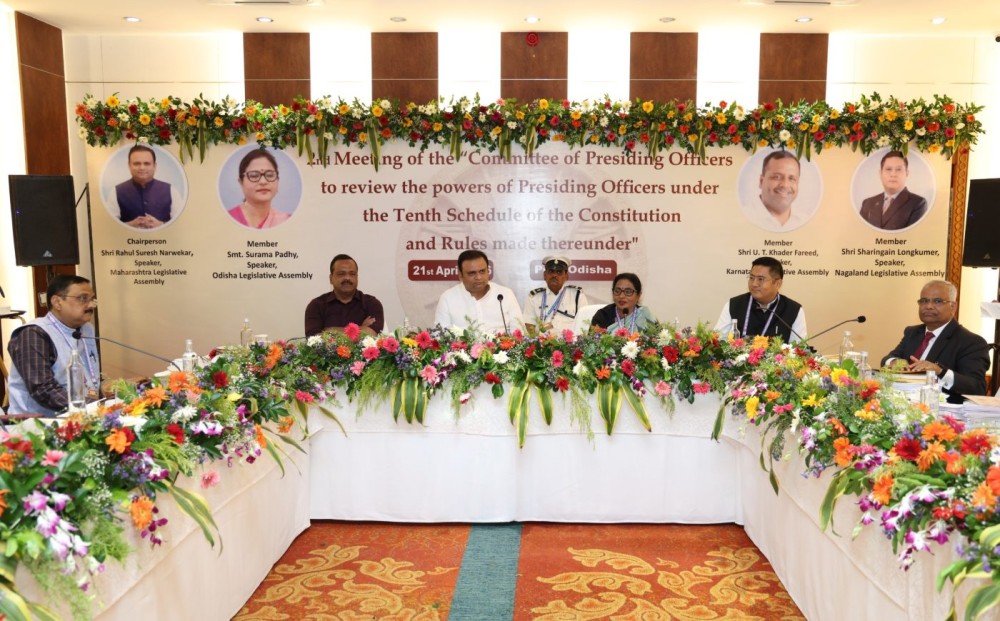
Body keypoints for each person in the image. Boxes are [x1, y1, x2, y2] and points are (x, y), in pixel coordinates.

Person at [7, 275, 101, 417]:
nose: (91, 305)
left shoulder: (87, 329)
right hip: (38, 425)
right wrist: (92, 407)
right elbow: (43, 389)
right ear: (57, 302)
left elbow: (88, 377)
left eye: (92, 299)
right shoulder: (33, 334)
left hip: (83, 417)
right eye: (83, 298)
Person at [882, 280, 989, 401]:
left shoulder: (971, 342)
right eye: (924, 301)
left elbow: (977, 388)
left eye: (937, 301)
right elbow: (887, 358)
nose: (929, 306)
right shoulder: (912, 332)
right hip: (901, 402)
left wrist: (940, 371)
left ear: (953, 306)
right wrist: (894, 361)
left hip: (940, 409)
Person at [715, 256, 807, 341]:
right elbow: (717, 341)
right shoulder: (734, 304)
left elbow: (799, 348)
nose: (754, 284)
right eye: (751, 278)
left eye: (760, 279)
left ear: (777, 283)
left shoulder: (794, 310)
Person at [434, 250, 523, 334]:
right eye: (472, 273)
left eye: (482, 271)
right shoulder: (448, 298)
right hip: (461, 346)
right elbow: (440, 336)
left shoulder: (505, 294)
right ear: (461, 275)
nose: (478, 277)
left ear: (488, 271)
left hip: (502, 345)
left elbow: (519, 332)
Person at [304, 254, 384, 337]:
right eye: (341, 274)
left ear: (357, 277)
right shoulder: (316, 306)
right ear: (331, 278)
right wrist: (360, 329)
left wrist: (328, 330)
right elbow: (314, 339)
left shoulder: (371, 304)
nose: (347, 278)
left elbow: (372, 334)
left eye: (352, 274)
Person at [108, 144, 181, 229]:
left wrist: (161, 225)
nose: (142, 168)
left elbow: (180, 225)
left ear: (154, 166)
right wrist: (129, 226)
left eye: (147, 163)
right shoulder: (115, 192)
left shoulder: (171, 190)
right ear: (129, 165)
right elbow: (110, 227)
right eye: (137, 163)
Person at [859, 150, 928, 230]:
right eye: (888, 169)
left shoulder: (918, 204)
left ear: (907, 173)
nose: (893, 174)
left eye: (898, 169)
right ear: (881, 173)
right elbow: (860, 232)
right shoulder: (868, 203)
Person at [523, 256, 589, 334]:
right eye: (551, 271)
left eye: (559, 272)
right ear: (545, 275)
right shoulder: (534, 297)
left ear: (566, 276)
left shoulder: (577, 296)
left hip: (570, 341)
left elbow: (585, 323)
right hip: (542, 341)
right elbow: (529, 324)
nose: (554, 275)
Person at [745, 150, 807, 232]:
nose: (785, 185)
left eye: (792, 179)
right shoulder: (743, 216)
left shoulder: (805, 221)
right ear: (761, 181)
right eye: (776, 177)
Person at [228, 150, 291, 229]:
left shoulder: (288, 221)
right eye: (254, 176)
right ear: (241, 182)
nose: (263, 182)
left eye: (270, 175)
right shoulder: (226, 220)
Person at [590, 273, 657, 333]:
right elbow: (593, 340)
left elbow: (657, 340)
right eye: (617, 291)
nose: (621, 296)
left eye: (628, 292)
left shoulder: (645, 316)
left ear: (638, 295)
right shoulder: (602, 316)